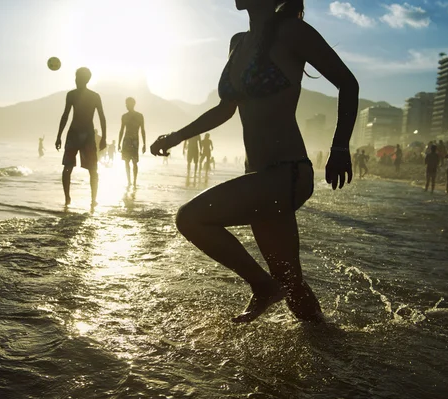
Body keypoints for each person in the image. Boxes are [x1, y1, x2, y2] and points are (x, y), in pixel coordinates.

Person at [150, 0, 358, 323]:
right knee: (293, 287)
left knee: (189, 218)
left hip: (287, 173)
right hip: (260, 178)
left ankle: (262, 285)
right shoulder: (238, 42)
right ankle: (332, 344)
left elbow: (348, 82)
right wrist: (177, 136)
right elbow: (225, 108)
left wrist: (340, 148)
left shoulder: (293, 33)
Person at [55, 67, 106, 207]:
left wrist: (104, 138)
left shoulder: (94, 96)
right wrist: (59, 136)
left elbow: (102, 117)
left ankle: (93, 199)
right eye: (76, 77)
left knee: (93, 169)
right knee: (67, 167)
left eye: (79, 78)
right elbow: (65, 115)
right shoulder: (71, 95)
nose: (76, 80)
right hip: (73, 133)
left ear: (86, 80)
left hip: (88, 136)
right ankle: (67, 198)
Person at [118, 97, 146, 186]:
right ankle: (129, 181)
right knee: (127, 162)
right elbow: (121, 130)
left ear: (132, 104)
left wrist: (145, 144)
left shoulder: (139, 116)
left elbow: (142, 130)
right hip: (127, 140)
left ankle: (133, 181)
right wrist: (118, 143)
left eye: (127, 104)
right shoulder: (124, 116)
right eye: (126, 104)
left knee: (134, 162)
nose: (126, 105)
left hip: (134, 141)